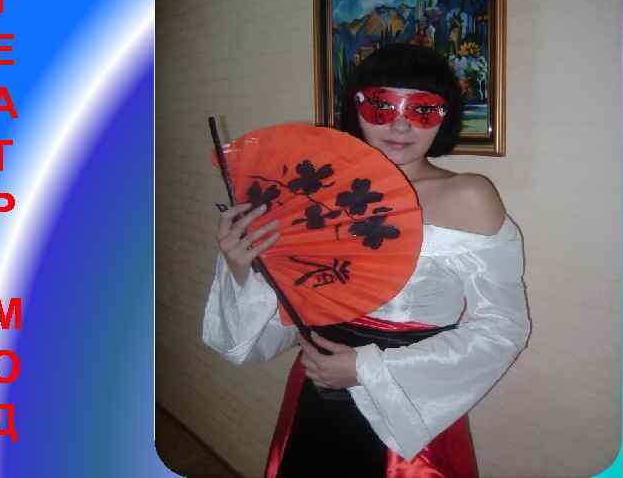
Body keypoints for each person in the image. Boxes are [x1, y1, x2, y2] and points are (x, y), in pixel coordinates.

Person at [203, 44, 530, 477]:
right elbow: (286, 312)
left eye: (422, 109)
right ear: (355, 108)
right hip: (315, 392)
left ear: (445, 115)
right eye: (381, 105)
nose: (400, 123)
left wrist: (365, 370)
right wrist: (242, 266)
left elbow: (503, 327)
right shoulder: (316, 191)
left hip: (406, 407)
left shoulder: (468, 196)